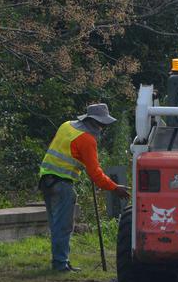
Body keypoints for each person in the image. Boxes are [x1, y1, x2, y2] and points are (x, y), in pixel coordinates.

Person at [38, 104, 130, 272]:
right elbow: (96, 174)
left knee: (56, 225)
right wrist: (115, 187)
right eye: (103, 124)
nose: (103, 128)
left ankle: (59, 261)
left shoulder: (66, 125)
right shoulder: (87, 139)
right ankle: (60, 264)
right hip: (62, 184)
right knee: (63, 226)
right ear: (97, 123)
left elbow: (66, 152)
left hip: (45, 180)